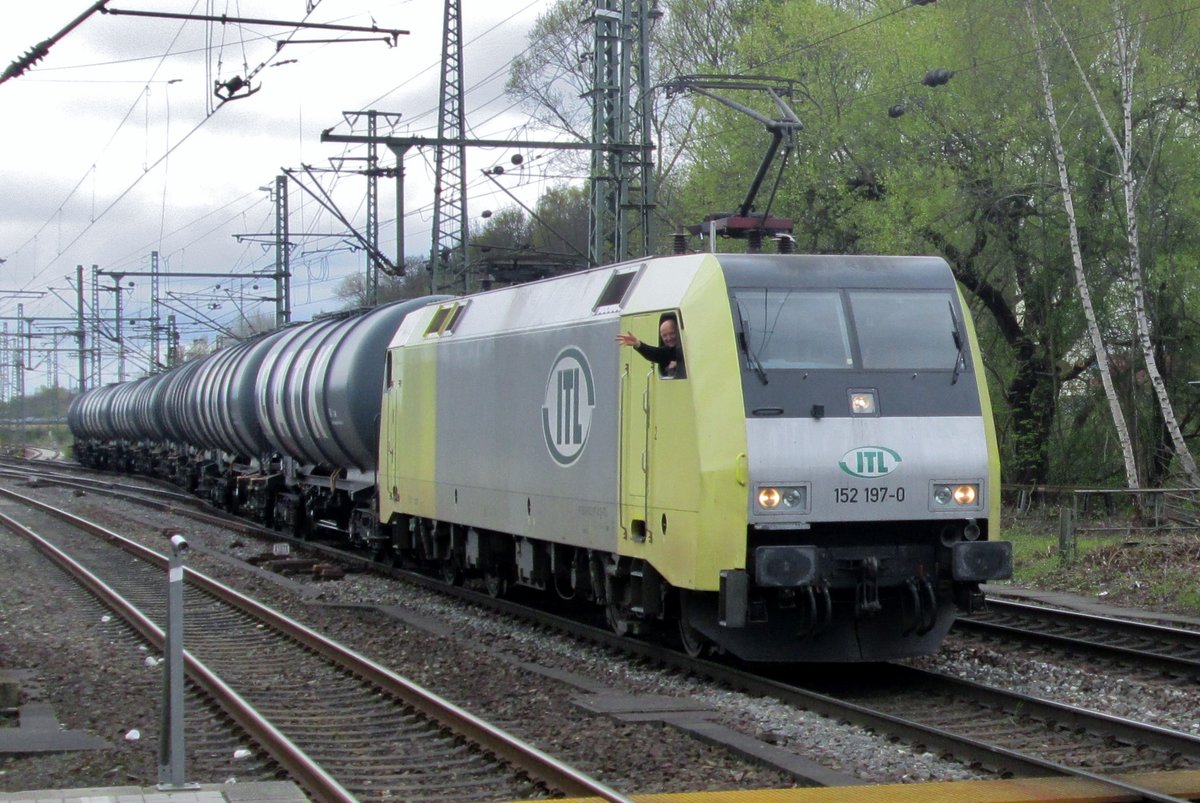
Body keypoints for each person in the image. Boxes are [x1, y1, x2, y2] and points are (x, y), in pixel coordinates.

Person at [617, 314, 685, 378]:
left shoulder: (685, 347)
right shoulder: (667, 351)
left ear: (678, 332)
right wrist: (637, 344)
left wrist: (679, 364)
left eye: (672, 333)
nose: (669, 338)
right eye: (664, 335)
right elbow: (654, 353)